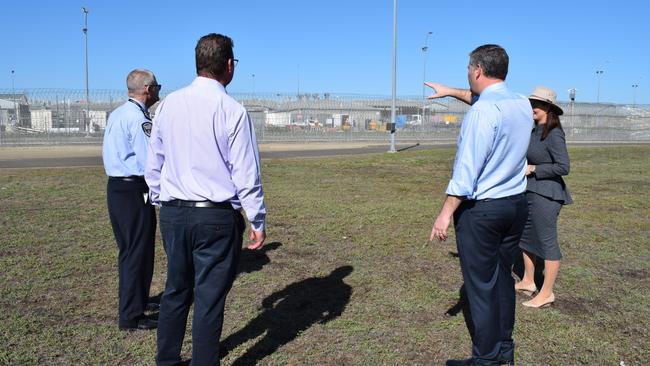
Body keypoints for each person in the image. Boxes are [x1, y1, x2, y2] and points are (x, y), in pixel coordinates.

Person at [146, 33, 267, 366]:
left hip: (173, 212)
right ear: (229, 66)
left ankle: (167, 360)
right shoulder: (232, 110)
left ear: (198, 63)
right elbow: (246, 173)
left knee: (176, 290)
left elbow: (153, 162)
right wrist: (257, 220)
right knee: (209, 298)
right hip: (215, 216)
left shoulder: (168, 105)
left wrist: (161, 200)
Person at [426, 44, 532, 366]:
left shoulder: (482, 113)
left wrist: (445, 214)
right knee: (501, 279)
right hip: (514, 205)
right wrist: (449, 92)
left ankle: (486, 359)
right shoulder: (522, 104)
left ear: (476, 71)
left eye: (468, 70)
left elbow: (466, 170)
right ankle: (504, 350)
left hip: (483, 210)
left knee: (481, 287)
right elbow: (484, 101)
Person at [102, 69, 161, 331]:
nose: (160, 90)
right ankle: (131, 315)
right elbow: (149, 158)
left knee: (136, 249)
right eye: (158, 86)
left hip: (118, 188)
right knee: (136, 251)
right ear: (148, 89)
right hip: (134, 189)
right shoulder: (138, 119)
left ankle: (139, 300)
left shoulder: (118, 113)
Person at [514, 86, 572, 308]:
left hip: (547, 195)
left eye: (535, 105)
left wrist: (535, 169)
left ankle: (546, 293)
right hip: (529, 192)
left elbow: (564, 167)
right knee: (526, 237)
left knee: (547, 242)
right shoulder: (533, 131)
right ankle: (529, 281)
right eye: (530, 104)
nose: (531, 108)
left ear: (548, 107)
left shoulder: (554, 133)